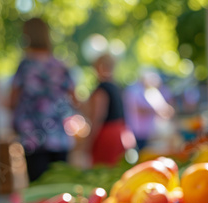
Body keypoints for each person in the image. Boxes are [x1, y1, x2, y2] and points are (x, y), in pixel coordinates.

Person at [9, 17, 76, 182]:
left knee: (38, 186)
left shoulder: (26, 66)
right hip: (58, 136)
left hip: (32, 137)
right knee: (61, 187)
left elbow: (11, 101)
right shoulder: (60, 65)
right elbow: (75, 99)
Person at [86, 53, 135, 166]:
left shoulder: (102, 89)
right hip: (121, 131)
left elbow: (97, 117)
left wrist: (88, 142)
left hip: (107, 134)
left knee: (103, 168)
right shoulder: (117, 86)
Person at [123, 68, 175, 150]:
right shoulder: (134, 91)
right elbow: (140, 109)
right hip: (138, 131)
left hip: (149, 131)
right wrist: (158, 111)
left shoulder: (149, 91)